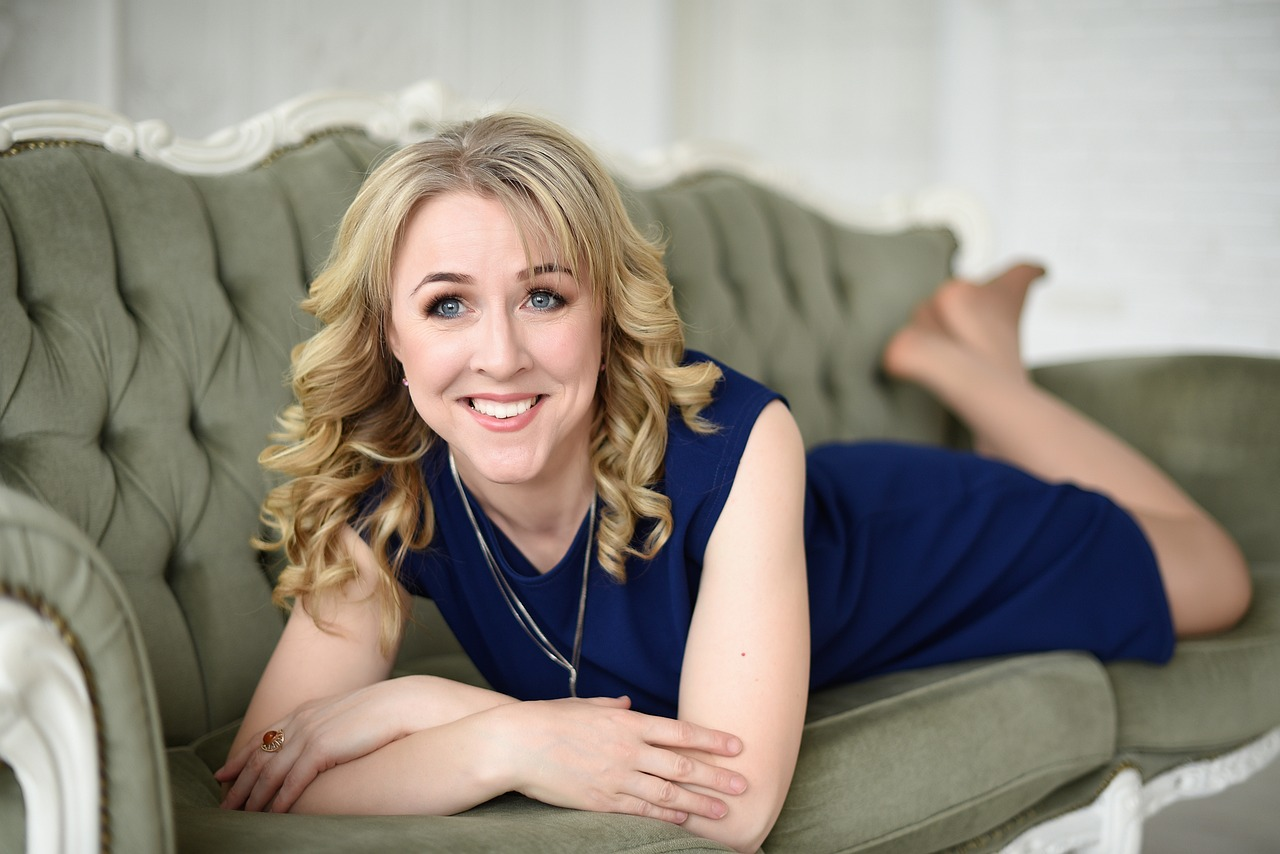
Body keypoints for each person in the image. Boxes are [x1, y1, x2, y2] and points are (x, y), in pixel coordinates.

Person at [215, 112, 1252, 853]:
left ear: (605, 316)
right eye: (446, 305)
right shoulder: (387, 483)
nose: (498, 355)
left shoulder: (741, 438)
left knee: (1212, 576)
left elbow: (732, 806)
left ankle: (967, 365)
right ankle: (969, 359)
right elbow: (266, 773)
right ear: (389, 336)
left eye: (541, 295)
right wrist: (496, 736)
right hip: (803, 546)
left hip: (916, 543)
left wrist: (414, 707)